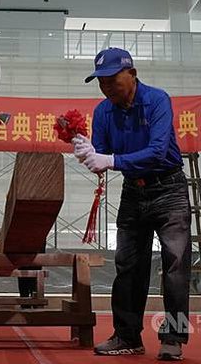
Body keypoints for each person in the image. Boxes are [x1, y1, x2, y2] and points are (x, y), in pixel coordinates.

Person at [73, 47, 191, 361]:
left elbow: (156, 150)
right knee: (128, 266)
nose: (107, 87)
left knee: (175, 264)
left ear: (132, 74)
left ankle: (174, 338)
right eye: (101, 81)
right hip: (133, 193)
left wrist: (108, 159)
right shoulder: (102, 111)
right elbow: (101, 155)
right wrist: (86, 150)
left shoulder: (157, 101)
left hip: (169, 189)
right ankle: (127, 336)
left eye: (112, 79)